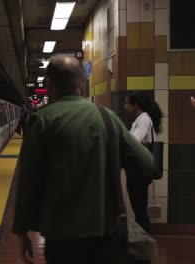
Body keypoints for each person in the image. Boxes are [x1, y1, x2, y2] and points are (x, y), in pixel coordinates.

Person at [13, 54, 155, 264]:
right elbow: (147, 164)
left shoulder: (42, 121)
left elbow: (27, 181)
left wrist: (21, 230)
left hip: (61, 238)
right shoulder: (107, 118)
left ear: (49, 84)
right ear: (81, 83)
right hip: (106, 232)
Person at [123, 91, 163, 234]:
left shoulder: (143, 119)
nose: (124, 107)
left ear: (136, 105)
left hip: (138, 172)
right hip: (139, 172)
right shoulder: (143, 119)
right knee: (140, 209)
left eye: (127, 103)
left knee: (139, 211)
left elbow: (133, 142)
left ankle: (144, 243)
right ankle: (145, 241)